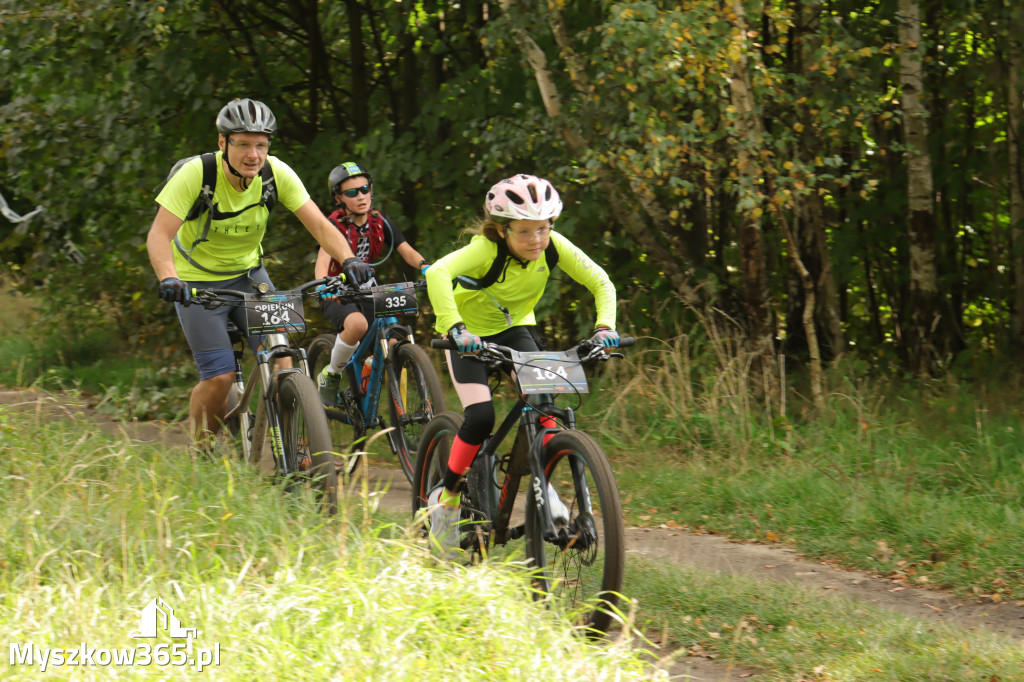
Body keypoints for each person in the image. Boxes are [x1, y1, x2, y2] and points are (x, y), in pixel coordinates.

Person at [147, 98, 374, 446]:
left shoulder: (275, 173)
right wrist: (168, 277)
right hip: (196, 283)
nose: (253, 154)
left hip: (251, 277)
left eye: (261, 145)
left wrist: (349, 260)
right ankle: (203, 449)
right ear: (223, 143)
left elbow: (320, 226)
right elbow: (159, 235)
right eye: (243, 144)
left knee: (286, 362)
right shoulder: (198, 173)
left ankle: (297, 454)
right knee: (220, 378)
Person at [423, 173, 621, 559]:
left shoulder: (552, 247)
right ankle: (445, 501)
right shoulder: (484, 249)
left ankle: (545, 491)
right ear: (502, 229)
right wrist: (455, 327)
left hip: (515, 330)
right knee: (480, 417)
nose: (536, 240)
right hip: (467, 336)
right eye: (525, 231)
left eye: (544, 229)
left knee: (546, 408)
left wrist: (605, 327)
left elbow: (601, 281)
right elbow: (437, 273)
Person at [314, 161, 431, 404]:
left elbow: (406, 250)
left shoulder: (381, 221)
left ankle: (368, 384)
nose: (361, 196)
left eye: (365, 189)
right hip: (338, 290)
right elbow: (323, 261)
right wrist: (322, 285)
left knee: (393, 337)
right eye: (351, 192)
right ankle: (332, 374)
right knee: (356, 325)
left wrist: (427, 268)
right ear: (338, 198)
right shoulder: (333, 225)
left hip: (368, 288)